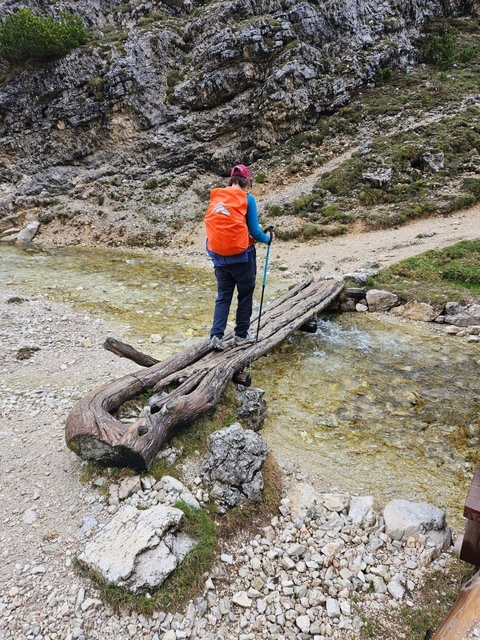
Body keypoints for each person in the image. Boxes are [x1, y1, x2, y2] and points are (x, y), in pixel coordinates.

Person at [204, 164, 273, 351]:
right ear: (247, 181)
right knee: (245, 295)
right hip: (242, 258)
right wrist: (268, 240)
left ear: (231, 180)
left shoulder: (218, 197)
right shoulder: (247, 199)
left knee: (223, 296)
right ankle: (241, 335)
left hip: (219, 258)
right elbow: (256, 232)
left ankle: (216, 336)